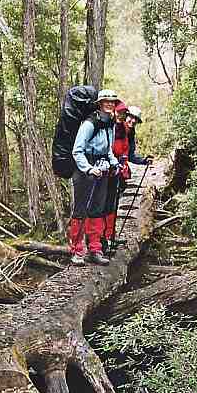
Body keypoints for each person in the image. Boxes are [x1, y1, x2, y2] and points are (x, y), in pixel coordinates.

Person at [68, 89, 121, 266]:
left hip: (102, 168)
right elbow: (77, 150)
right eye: (106, 101)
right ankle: (76, 251)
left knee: (97, 210)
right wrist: (88, 169)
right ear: (99, 103)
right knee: (80, 210)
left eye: (113, 102)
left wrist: (114, 163)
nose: (110, 104)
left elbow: (108, 150)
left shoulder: (110, 123)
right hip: (85, 170)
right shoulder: (89, 124)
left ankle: (95, 250)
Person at [102, 104, 152, 251]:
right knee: (106, 205)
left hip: (119, 172)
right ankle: (102, 239)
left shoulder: (130, 134)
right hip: (108, 170)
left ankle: (110, 237)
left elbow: (130, 155)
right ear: (126, 116)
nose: (132, 121)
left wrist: (143, 161)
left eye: (135, 120)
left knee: (114, 205)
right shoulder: (116, 128)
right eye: (131, 117)